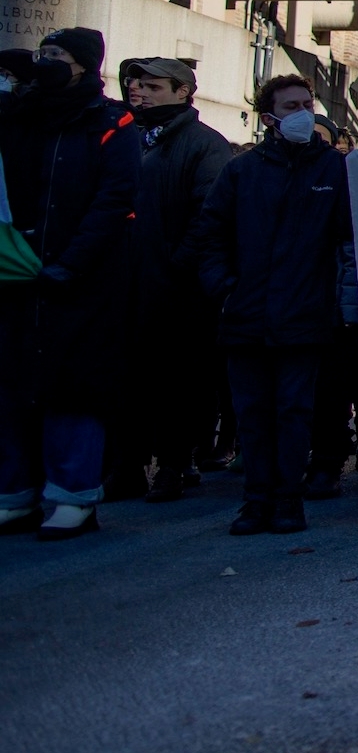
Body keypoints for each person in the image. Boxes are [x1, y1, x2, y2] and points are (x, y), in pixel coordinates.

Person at [192, 75, 351, 536]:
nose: (302, 112)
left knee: (294, 411)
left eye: (307, 102)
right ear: (269, 117)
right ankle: (255, 501)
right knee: (253, 414)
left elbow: (352, 230)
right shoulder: (242, 171)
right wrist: (223, 286)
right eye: (291, 105)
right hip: (246, 314)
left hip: (304, 315)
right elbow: (211, 231)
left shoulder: (332, 169)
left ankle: (287, 500)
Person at [0, 28, 140, 540]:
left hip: (82, 281)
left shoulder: (109, 121)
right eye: (41, 54)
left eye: (55, 56)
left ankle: (72, 493)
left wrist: (72, 262)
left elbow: (115, 198)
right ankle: (15, 491)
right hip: (16, 273)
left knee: (73, 389)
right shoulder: (22, 115)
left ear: (82, 65)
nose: (45, 62)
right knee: (12, 385)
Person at [118, 57, 232, 504]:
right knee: (129, 378)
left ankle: (173, 463)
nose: (139, 91)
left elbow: (210, 214)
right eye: (135, 83)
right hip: (127, 281)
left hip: (177, 287)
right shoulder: (127, 137)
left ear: (183, 91)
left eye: (152, 85)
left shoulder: (204, 146)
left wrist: (175, 264)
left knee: (178, 380)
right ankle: (126, 467)